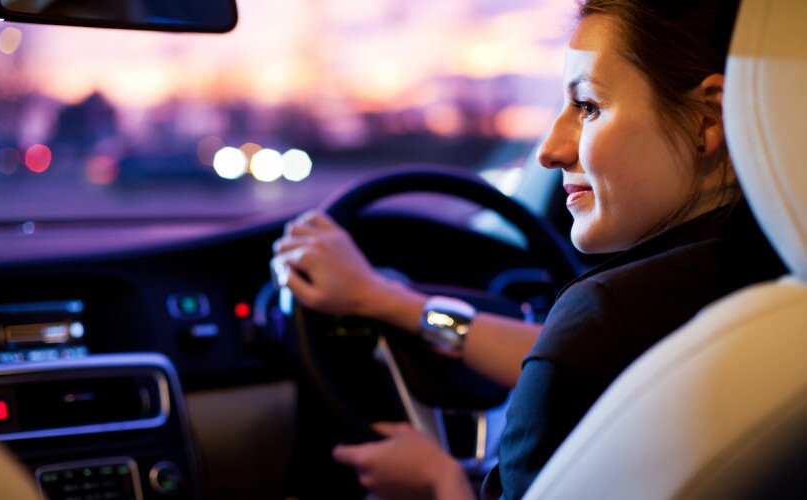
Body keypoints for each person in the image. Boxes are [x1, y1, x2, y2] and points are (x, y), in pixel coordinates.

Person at [270, 0, 786, 498]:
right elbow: (560, 352)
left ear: (708, 121)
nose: (548, 150)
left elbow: (576, 348)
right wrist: (384, 301)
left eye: (588, 107)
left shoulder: (605, 319)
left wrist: (439, 481)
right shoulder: (768, 277)